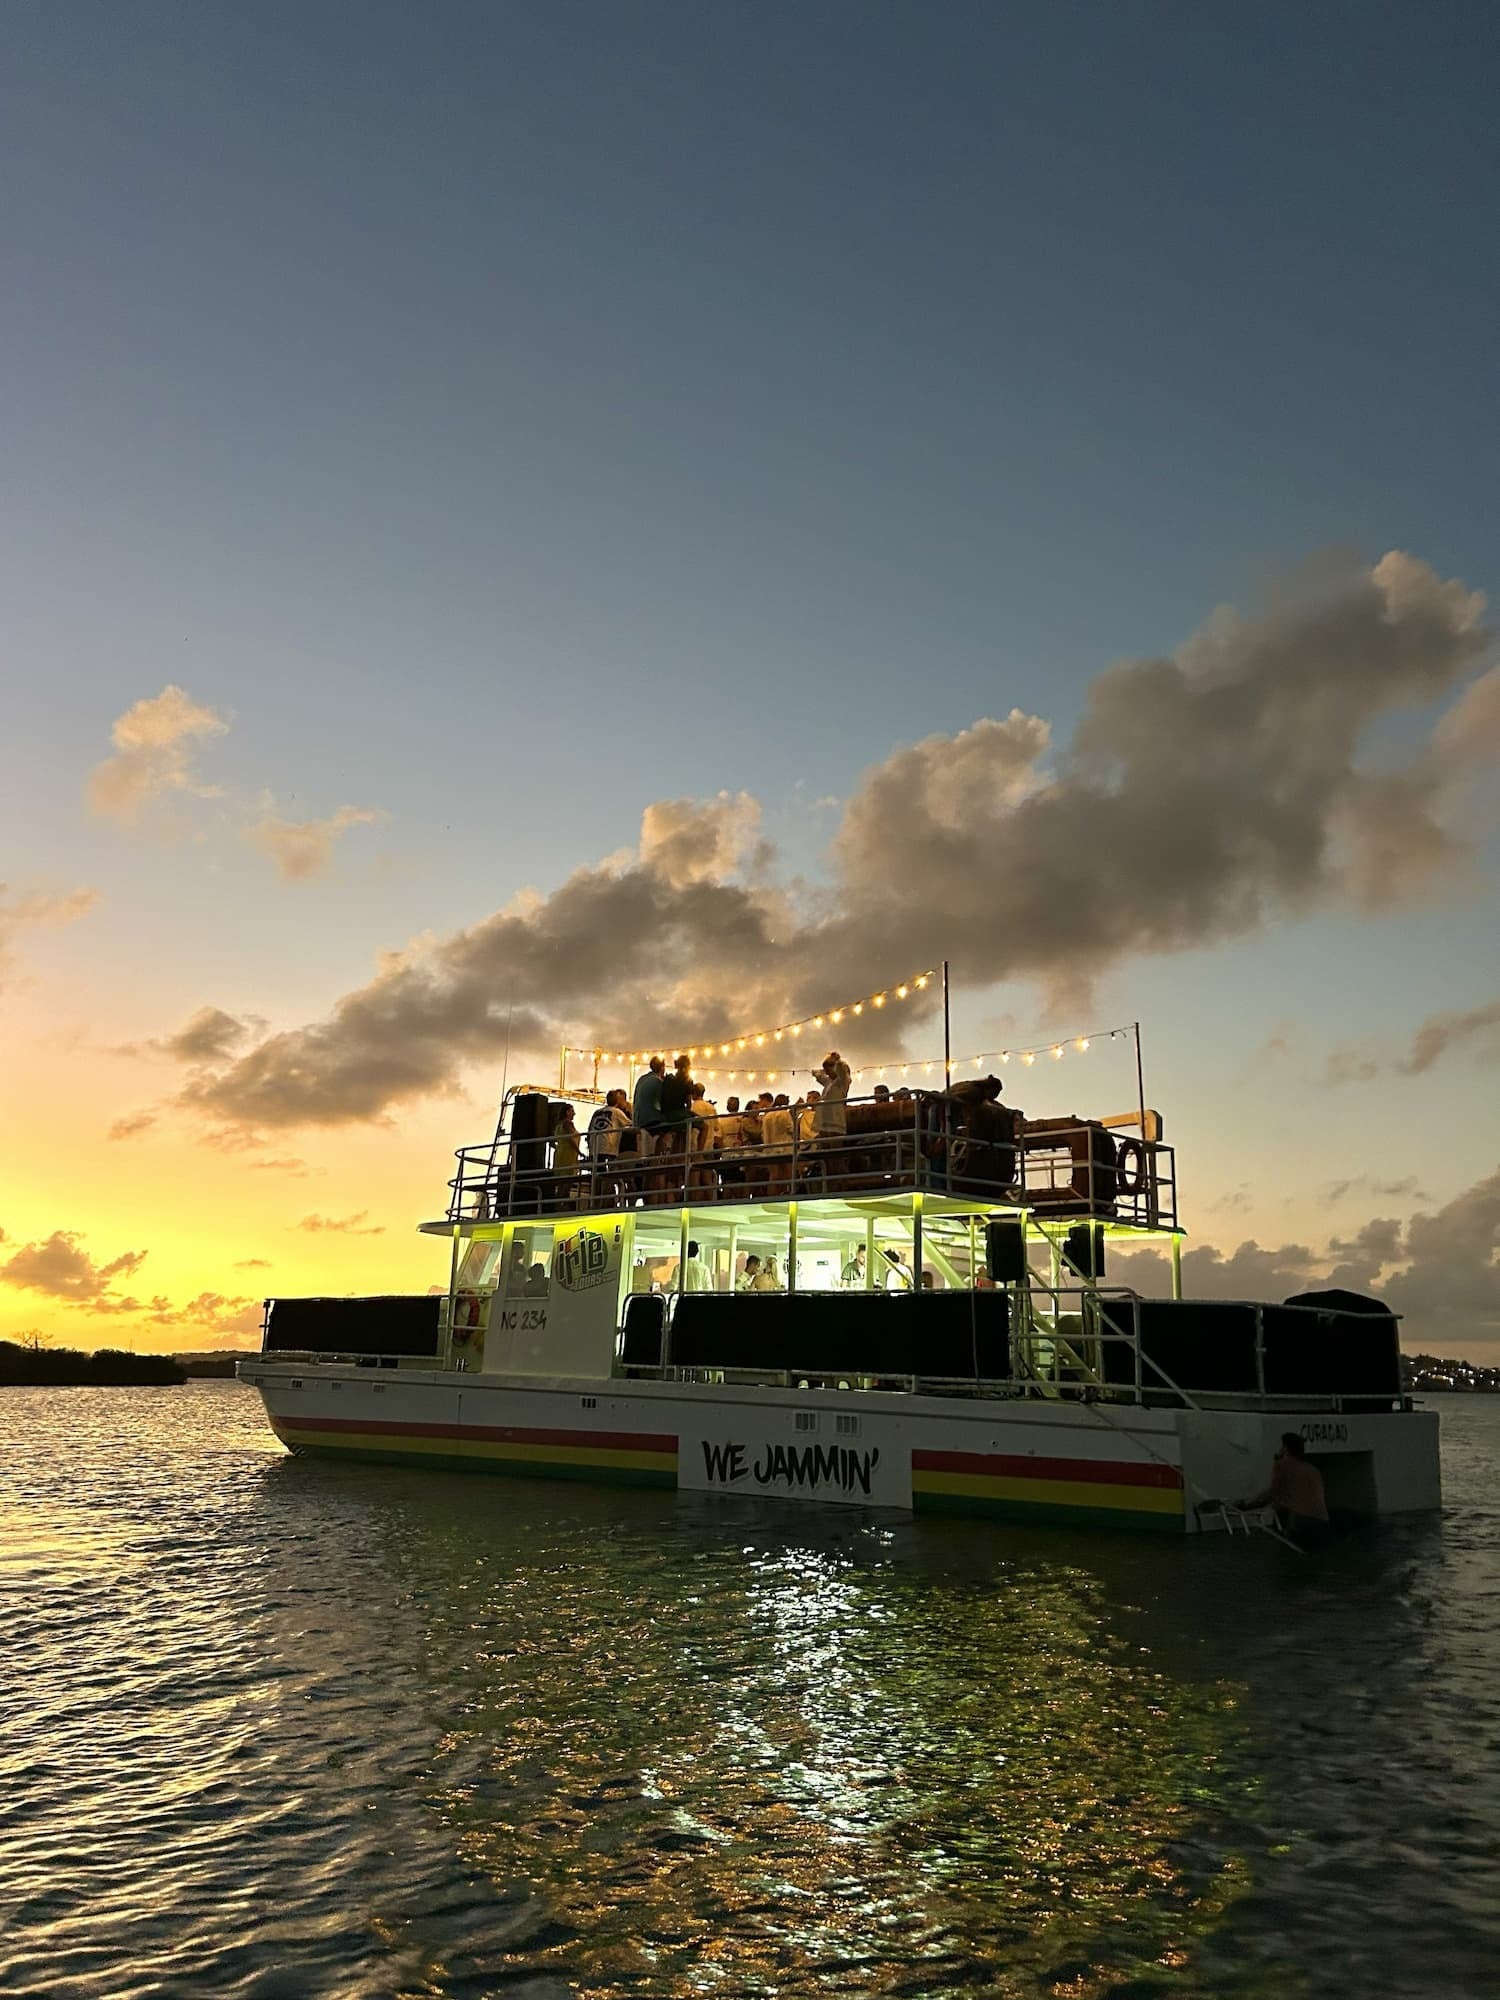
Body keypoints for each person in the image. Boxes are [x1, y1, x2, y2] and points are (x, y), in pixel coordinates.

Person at [1239, 1434, 1329, 1545]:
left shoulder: (1283, 1465)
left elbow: (1271, 1494)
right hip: (1322, 1522)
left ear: (1285, 1448)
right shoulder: (1313, 1470)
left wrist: (1244, 1505)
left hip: (1300, 1521)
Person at [632, 1058, 666, 1158]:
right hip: (651, 1120)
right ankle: (660, 1158)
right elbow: (660, 1103)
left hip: (638, 1120)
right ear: (662, 1068)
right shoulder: (658, 1082)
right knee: (673, 1129)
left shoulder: (641, 1079)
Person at [813, 1051, 851, 1137]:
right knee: (824, 1143)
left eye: (828, 1070)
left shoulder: (842, 1081)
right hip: (824, 1116)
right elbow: (817, 1074)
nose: (826, 1073)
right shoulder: (828, 1082)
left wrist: (836, 1060)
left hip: (835, 1117)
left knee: (835, 1141)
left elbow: (842, 1069)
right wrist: (824, 1069)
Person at [587, 1089, 632, 1159]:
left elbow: (589, 1129)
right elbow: (629, 1124)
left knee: (598, 1168)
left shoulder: (597, 1112)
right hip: (608, 1147)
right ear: (617, 1101)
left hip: (594, 1147)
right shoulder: (617, 1112)